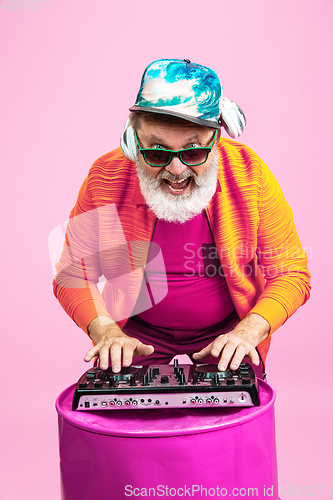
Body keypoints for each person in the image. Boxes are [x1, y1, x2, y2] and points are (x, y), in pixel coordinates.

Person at [53, 59, 311, 377]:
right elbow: (74, 274)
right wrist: (105, 331)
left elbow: (291, 273)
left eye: (192, 152)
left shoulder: (249, 173)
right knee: (121, 414)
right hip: (135, 332)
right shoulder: (106, 176)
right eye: (158, 153)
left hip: (228, 331)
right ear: (135, 143)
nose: (176, 171)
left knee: (232, 416)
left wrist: (248, 332)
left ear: (215, 142)